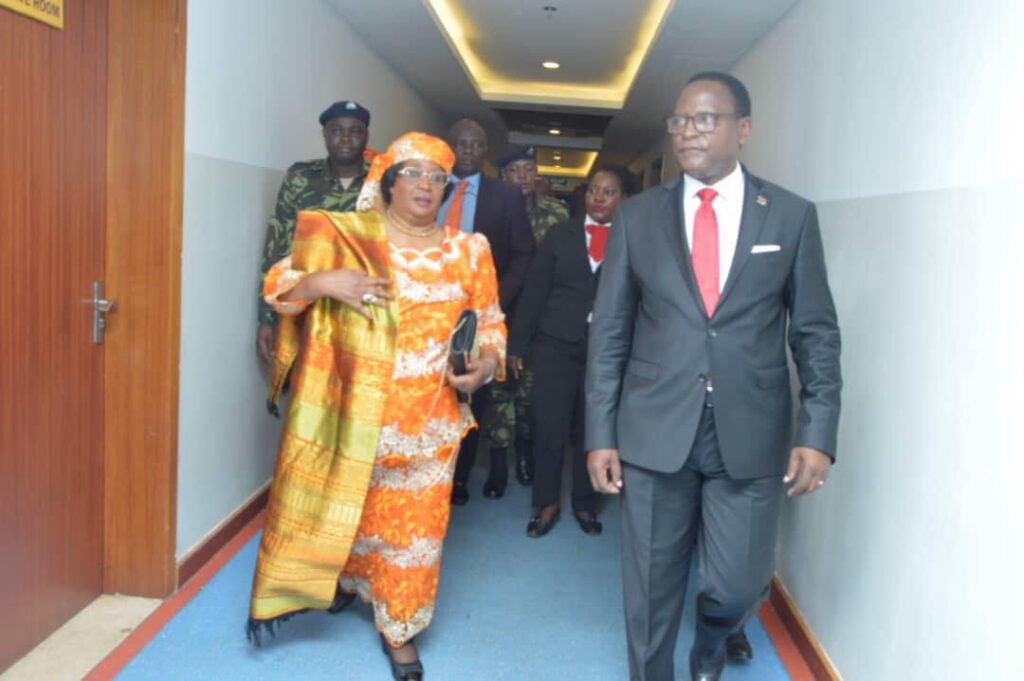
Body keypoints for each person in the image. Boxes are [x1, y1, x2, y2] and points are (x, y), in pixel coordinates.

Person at [585, 72, 841, 681]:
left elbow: (815, 332)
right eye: (679, 120)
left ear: (743, 129)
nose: (687, 132)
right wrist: (600, 432)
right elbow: (611, 332)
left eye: (705, 119)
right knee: (649, 589)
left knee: (737, 583)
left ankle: (713, 638)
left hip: (750, 433)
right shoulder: (638, 217)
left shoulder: (789, 217)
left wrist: (818, 432)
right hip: (652, 429)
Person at [247, 132, 506, 681]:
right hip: (352, 419)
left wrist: (484, 366)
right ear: (387, 182)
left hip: (431, 424)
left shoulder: (470, 250)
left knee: (415, 534)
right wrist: (322, 281)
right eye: (412, 173)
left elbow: (490, 323)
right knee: (351, 514)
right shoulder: (347, 240)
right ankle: (345, 580)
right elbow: (278, 286)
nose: (425, 186)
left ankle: (400, 630)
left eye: (437, 177)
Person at [508, 165, 629, 538]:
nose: (599, 197)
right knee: (549, 425)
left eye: (608, 192)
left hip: (607, 351)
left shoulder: (635, 239)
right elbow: (535, 291)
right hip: (555, 344)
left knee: (593, 428)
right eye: (593, 190)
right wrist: (517, 344)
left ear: (623, 199)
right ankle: (545, 503)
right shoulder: (561, 235)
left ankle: (585, 502)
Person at [440, 119, 535, 505]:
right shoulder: (430, 187)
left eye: (475, 145)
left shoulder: (504, 197)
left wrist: (492, 300)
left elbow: (524, 254)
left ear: (484, 152)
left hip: (478, 315)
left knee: (470, 396)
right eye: (459, 144)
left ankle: (458, 480)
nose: (467, 151)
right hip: (427, 309)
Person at [255, 100, 374, 365]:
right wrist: (267, 317)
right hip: (305, 309)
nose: (345, 138)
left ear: (366, 135)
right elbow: (277, 247)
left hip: (364, 314)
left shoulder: (382, 182)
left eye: (355, 131)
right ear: (325, 135)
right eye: (336, 130)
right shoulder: (301, 177)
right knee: (305, 392)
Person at [499, 145, 571, 486]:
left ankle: (525, 453)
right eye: (515, 170)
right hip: (499, 310)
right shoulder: (494, 209)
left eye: (528, 169)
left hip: (541, 317)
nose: (522, 177)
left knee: (531, 388)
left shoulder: (556, 213)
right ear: (503, 176)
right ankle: (498, 463)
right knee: (499, 386)